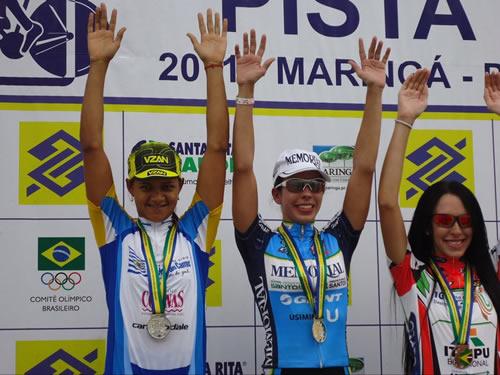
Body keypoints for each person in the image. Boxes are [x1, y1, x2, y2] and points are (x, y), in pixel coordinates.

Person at [80, 4, 229, 374]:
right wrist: (98, 67)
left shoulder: (197, 228)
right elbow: (91, 147)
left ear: (181, 187)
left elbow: (217, 148)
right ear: (130, 187)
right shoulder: (115, 227)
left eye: (167, 186)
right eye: (147, 187)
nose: (158, 196)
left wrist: (213, 69)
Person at [232, 29, 390, 374]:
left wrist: (375, 92)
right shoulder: (260, 242)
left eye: (316, 186)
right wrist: (246, 91)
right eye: (298, 185)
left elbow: (363, 169)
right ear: (278, 193)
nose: (307, 193)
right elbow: (242, 168)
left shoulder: (337, 239)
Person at [378, 68, 500, 374]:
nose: (457, 230)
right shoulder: (413, 276)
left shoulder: (490, 272)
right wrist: (405, 120)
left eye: (465, 221)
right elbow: (387, 203)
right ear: (428, 227)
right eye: (445, 220)